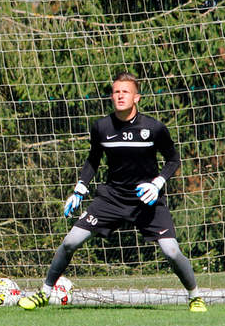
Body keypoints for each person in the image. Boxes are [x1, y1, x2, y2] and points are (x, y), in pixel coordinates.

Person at [19, 72, 205, 312]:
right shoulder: (101, 127)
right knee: (69, 242)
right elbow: (93, 161)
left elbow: (173, 159)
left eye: (125, 92)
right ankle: (44, 293)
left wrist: (157, 183)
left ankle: (195, 296)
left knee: (171, 251)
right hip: (111, 199)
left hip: (146, 201)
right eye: (116, 91)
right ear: (111, 96)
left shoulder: (154, 128)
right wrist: (79, 189)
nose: (120, 96)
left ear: (136, 97)